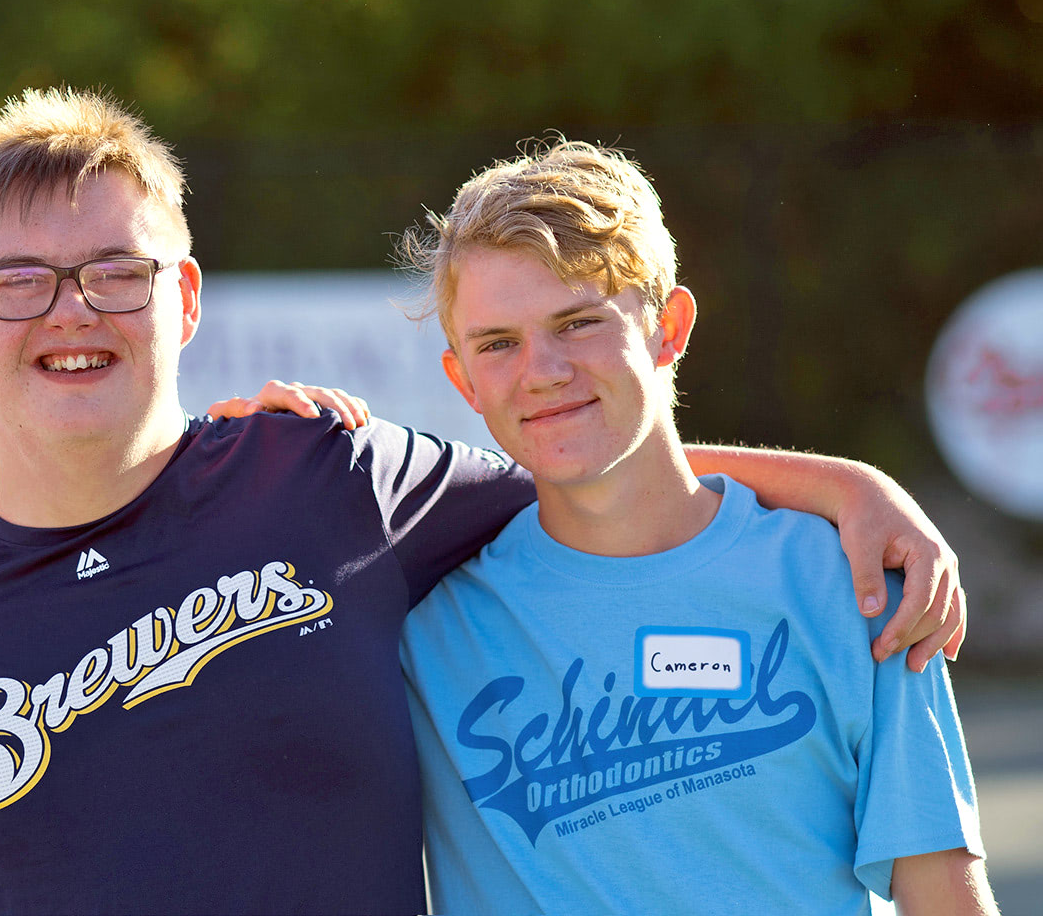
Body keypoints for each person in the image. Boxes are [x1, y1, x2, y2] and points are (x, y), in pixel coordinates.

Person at [0, 89, 966, 914]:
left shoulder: (329, 479)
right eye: (19, 281)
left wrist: (846, 487)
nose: (71, 310)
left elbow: (592, 466)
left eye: (115, 271)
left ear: (183, 298)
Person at [397, 139, 994, 913]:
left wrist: (854, 487)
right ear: (463, 380)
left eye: (578, 322)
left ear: (668, 328)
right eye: (499, 344)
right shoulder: (422, 624)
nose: (541, 370)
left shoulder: (848, 583)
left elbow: (942, 892)